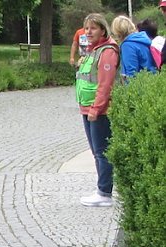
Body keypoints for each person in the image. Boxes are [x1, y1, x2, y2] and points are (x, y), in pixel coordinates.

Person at [75, 13, 119, 207]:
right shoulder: (93, 51)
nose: (88, 32)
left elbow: (105, 84)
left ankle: (104, 192)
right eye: (86, 28)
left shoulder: (107, 51)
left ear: (103, 29)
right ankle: (101, 189)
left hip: (99, 110)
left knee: (102, 151)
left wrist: (96, 108)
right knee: (97, 151)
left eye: (93, 28)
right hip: (87, 107)